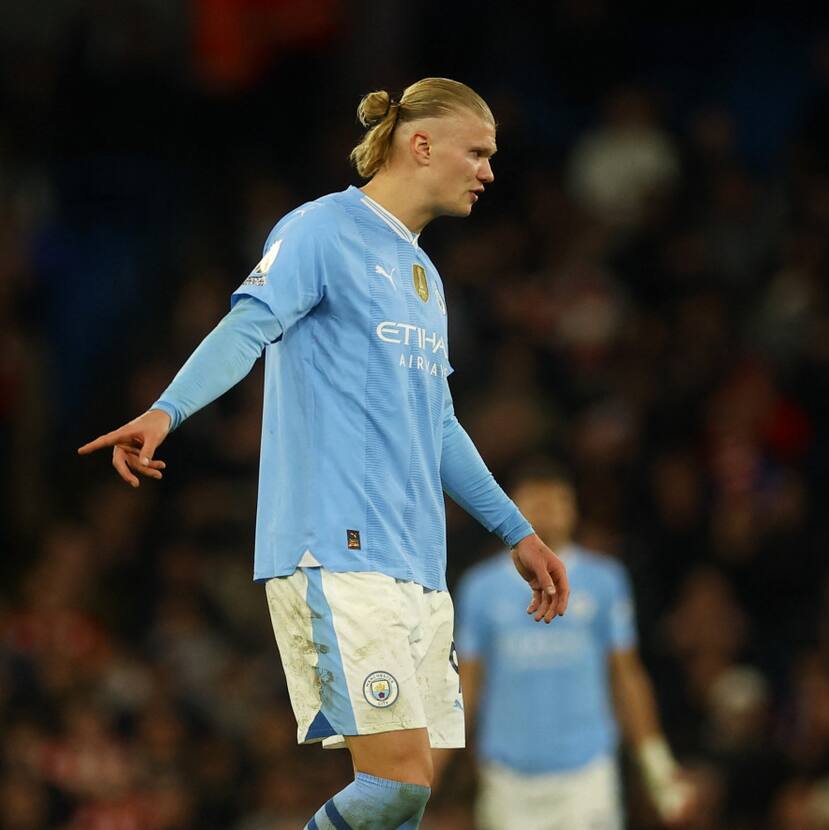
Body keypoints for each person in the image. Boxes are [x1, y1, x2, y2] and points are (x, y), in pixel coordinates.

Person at [78, 78, 570, 830]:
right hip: (336, 551)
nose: (489, 173)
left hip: (415, 565)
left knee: (403, 808)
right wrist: (167, 410)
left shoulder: (426, 279)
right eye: (478, 152)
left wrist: (518, 532)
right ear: (422, 144)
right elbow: (249, 326)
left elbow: (437, 425)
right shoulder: (320, 230)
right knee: (396, 786)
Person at [453, 461, 694, 830]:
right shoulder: (480, 588)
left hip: (588, 774)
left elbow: (626, 675)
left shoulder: (605, 580)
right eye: (535, 500)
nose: (547, 510)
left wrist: (657, 766)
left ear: (575, 508)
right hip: (507, 778)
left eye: (558, 500)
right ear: (511, 505)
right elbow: (465, 687)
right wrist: (428, 767)